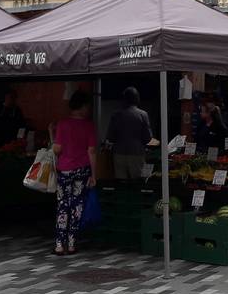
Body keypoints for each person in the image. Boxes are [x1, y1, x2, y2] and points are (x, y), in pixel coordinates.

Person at [51, 91, 98, 256]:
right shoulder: (89, 125)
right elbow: (91, 151)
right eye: (87, 106)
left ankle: (59, 244)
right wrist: (94, 174)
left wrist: (52, 134)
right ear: (83, 106)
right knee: (77, 205)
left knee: (63, 205)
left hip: (65, 169)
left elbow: (57, 149)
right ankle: (72, 243)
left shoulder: (63, 124)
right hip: (82, 169)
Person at [106, 87, 153, 179]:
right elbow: (148, 138)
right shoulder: (143, 114)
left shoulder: (116, 115)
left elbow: (110, 137)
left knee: (121, 184)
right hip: (137, 154)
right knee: (137, 183)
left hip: (118, 154)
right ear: (137, 99)